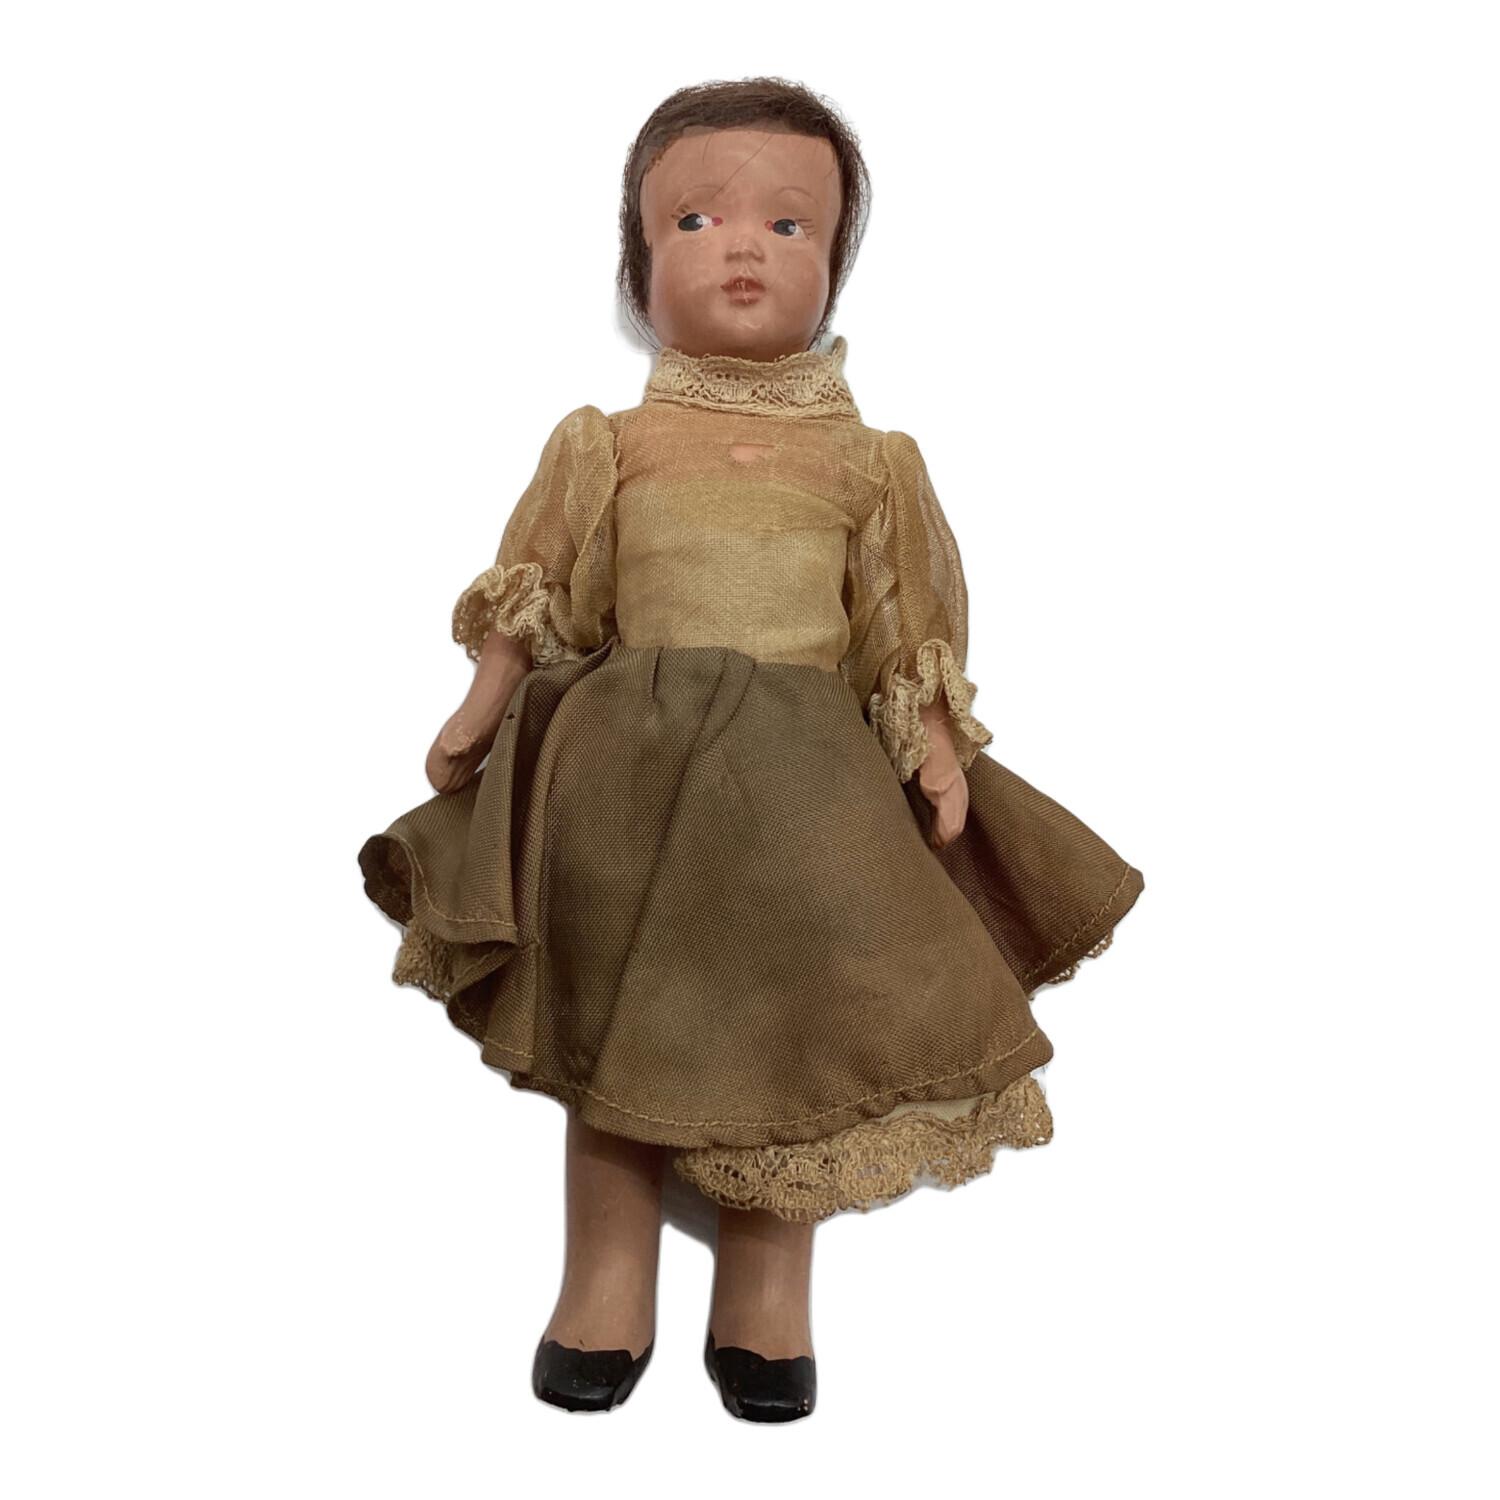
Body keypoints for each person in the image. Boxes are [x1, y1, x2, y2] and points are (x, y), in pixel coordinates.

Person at [358, 77, 1143, 1422]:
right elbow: (539, 591)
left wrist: (934, 745)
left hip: (802, 792)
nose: (741, 247)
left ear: (834, 268)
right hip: (622, 778)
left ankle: (767, 1295)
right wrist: (478, 712)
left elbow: (903, 624)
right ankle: (605, 1278)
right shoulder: (610, 445)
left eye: (789, 226)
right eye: (695, 218)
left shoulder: (870, 464)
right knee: (607, 1028)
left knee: (797, 1038)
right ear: (636, 263)